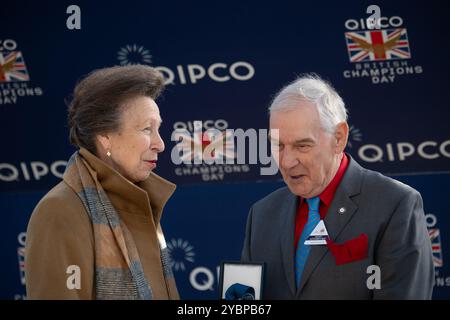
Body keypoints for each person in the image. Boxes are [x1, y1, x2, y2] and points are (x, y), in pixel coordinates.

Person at [241, 74, 434, 299]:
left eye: (302, 146)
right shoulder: (262, 214)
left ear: (339, 138)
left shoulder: (395, 205)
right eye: (278, 145)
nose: (286, 161)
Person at [25, 65, 179, 300]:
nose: (160, 144)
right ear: (105, 136)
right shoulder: (59, 211)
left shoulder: (139, 202)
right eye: (147, 129)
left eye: (158, 129)